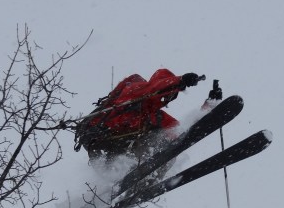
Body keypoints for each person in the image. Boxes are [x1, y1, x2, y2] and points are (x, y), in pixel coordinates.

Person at [73, 69, 204, 163]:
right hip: (99, 139)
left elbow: (180, 131)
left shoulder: (154, 115)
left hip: (112, 149)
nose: (167, 98)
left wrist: (209, 107)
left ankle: (119, 182)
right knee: (158, 140)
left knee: (167, 143)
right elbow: (155, 88)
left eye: (170, 97)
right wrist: (180, 81)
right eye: (168, 95)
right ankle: (140, 172)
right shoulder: (136, 90)